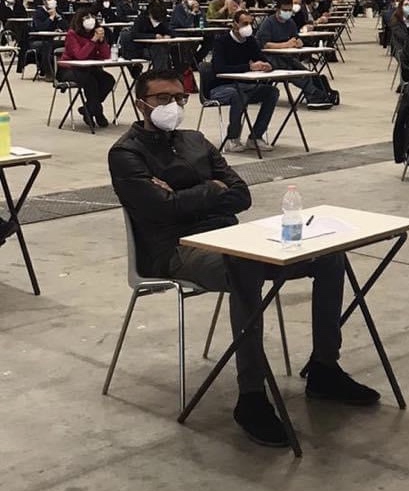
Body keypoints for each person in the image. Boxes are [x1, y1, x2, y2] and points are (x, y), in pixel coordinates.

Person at [108, 68, 379, 448]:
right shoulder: (126, 153)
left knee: (329, 257)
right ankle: (251, 396)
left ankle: (324, 367)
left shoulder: (195, 140)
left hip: (230, 237)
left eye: (180, 98)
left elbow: (241, 195)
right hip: (176, 250)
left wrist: (190, 194)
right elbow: (161, 210)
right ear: (141, 105)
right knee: (245, 268)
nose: (174, 106)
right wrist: (210, 189)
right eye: (163, 99)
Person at [208, 11, 280, 152]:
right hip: (221, 87)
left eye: (250, 23)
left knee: (272, 92)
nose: (248, 27)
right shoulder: (221, 42)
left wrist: (268, 65)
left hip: (245, 85)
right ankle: (232, 138)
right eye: (244, 23)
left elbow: (261, 58)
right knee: (238, 95)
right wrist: (249, 67)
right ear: (235, 24)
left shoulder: (250, 41)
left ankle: (256, 136)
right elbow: (219, 68)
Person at [256, 0, 333, 109]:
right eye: (285, 10)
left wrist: (299, 42)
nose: (287, 12)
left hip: (287, 57)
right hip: (270, 58)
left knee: (306, 72)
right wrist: (286, 45)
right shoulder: (268, 23)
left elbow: (296, 37)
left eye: (289, 10)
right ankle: (314, 95)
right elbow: (265, 45)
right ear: (278, 9)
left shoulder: (290, 22)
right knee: (294, 74)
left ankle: (318, 94)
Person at [58, 9, 115, 128]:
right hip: (70, 69)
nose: (90, 20)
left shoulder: (96, 33)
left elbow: (105, 56)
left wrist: (101, 41)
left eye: (92, 17)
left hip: (90, 68)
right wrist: (93, 41)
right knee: (90, 81)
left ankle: (88, 109)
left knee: (108, 80)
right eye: (86, 17)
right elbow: (80, 55)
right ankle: (97, 112)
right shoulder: (72, 34)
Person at [29, 0, 67, 81]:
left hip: (53, 39)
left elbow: (66, 27)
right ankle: (49, 73)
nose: (53, 1)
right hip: (37, 40)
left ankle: (65, 72)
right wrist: (51, 17)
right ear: (44, 2)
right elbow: (40, 28)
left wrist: (58, 18)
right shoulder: (38, 13)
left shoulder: (58, 11)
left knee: (67, 43)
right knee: (47, 45)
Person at [129, 0, 173, 70]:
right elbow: (134, 34)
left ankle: (172, 72)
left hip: (159, 47)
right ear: (150, 14)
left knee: (172, 49)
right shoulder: (141, 19)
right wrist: (154, 36)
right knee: (159, 51)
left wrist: (168, 35)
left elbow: (170, 30)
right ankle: (160, 74)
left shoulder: (162, 19)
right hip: (142, 49)